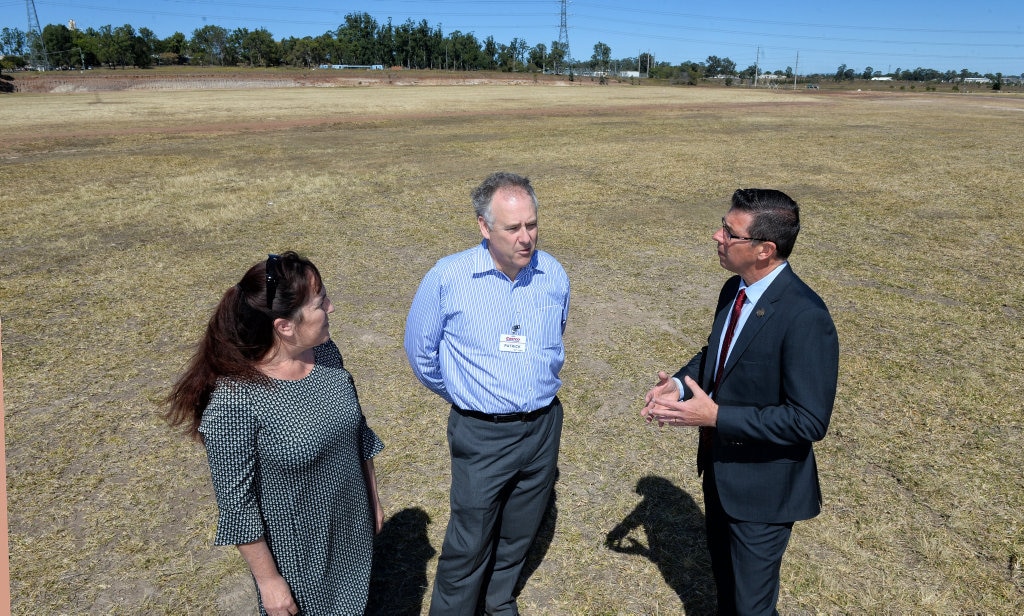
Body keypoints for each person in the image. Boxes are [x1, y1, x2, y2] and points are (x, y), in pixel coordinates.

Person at [642, 189, 839, 616]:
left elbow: (808, 421)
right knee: (727, 590)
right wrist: (677, 385)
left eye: (730, 233)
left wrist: (715, 416)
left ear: (765, 250)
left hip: (763, 493)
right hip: (720, 475)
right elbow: (716, 355)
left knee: (751, 606)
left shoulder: (806, 317)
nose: (717, 236)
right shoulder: (735, 289)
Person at [165, 251, 385, 616]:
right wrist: (269, 581)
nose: (331, 307)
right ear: (285, 326)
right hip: (298, 558)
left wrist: (372, 500)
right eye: (320, 302)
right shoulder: (234, 401)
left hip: (351, 529)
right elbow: (237, 505)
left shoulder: (326, 354)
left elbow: (358, 432)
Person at [404, 172, 570, 615]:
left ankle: (499, 601)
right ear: (483, 227)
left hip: (542, 426)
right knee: (469, 539)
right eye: (512, 229)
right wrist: (469, 395)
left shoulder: (553, 274)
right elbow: (422, 357)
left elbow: (556, 337)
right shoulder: (448, 277)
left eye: (532, 225)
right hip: (482, 434)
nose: (526, 238)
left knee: (519, 531)